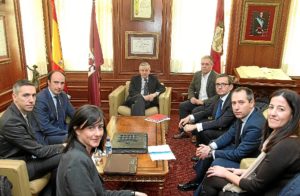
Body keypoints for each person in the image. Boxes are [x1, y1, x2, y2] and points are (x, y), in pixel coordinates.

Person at [201, 89, 300, 195]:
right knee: (213, 174)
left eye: (281, 109)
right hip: (268, 184)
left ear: (293, 114)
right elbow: (271, 171)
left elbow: (255, 186)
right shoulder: (279, 136)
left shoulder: (286, 145)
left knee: (213, 177)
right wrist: (241, 171)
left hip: (269, 191)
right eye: (271, 107)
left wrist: (226, 173)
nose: (272, 113)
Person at [178, 87, 265, 193]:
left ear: (251, 103)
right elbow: (229, 134)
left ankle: (200, 189)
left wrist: (211, 152)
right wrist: (210, 147)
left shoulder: (255, 125)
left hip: (248, 161)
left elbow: (239, 154)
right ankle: (197, 181)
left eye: (241, 102)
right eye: (234, 103)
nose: (236, 107)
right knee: (211, 145)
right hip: (239, 149)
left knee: (217, 161)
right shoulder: (244, 114)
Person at [56, 104, 147, 196]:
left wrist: (132, 194)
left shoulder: (79, 151)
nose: (98, 133)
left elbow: (100, 193)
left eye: (100, 127)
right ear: (77, 130)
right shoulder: (76, 161)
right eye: (91, 128)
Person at [0, 79, 64, 196]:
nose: (31, 100)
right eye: (26, 95)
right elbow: (39, 151)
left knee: (60, 157)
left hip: (28, 156)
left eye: (34, 95)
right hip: (17, 166)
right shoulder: (11, 121)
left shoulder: (25, 111)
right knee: (64, 155)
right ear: (14, 97)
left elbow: (35, 142)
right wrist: (64, 146)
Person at [180, 74, 236, 146]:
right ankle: (202, 151)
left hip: (229, 130)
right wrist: (189, 117)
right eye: (217, 84)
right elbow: (208, 111)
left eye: (223, 84)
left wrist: (195, 126)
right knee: (200, 123)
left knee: (202, 129)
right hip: (219, 124)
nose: (219, 87)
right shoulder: (219, 97)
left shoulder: (233, 100)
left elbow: (222, 122)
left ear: (230, 87)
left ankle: (210, 154)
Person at [173, 55, 218, 139]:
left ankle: (194, 134)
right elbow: (191, 87)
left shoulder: (216, 77)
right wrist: (192, 97)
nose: (204, 66)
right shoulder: (197, 74)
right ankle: (184, 131)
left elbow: (217, 96)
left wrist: (203, 102)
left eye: (207, 64)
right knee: (183, 105)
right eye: (202, 64)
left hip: (208, 104)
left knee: (195, 110)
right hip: (196, 100)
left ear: (212, 65)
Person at [34, 70, 75, 144]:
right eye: (56, 82)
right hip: (47, 135)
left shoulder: (63, 95)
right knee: (75, 138)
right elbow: (45, 127)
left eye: (62, 83)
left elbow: (74, 114)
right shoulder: (40, 99)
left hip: (61, 130)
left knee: (84, 132)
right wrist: (68, 132)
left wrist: (85, 122)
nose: (59, 86)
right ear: (48, 82)